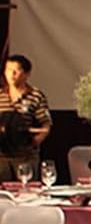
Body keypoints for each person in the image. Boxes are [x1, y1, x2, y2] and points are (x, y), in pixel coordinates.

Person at [0, 54, 52, 182]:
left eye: (16, 70)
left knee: (26, 190)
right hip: (2, 157)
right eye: (8, 70)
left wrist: (35, 141)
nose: (12, 74)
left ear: (27, 74)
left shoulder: (36, 96)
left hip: (25, 157)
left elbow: (46, 124)